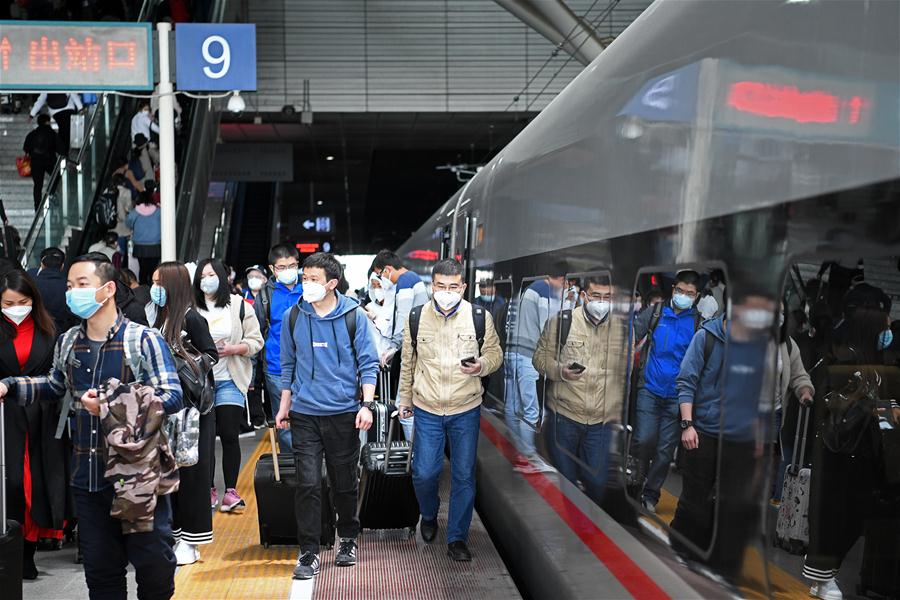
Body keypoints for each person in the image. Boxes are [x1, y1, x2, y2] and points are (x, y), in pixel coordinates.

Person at [0, 254, 183, 599]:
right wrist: (10, 386)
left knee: (154, 569)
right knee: (101, 574)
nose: (72, 293)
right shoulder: (69, 341)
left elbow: (171, 397)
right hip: (87, 478)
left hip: (139, 478)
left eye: (81, 285)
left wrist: (112, 404)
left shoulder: (142, 340)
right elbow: (55, 385)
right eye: (69, 286)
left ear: (108, 289)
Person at [275, 252, 378, 580]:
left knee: (343, 481)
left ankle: (347, 537)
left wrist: (367, 405)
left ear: (332, 283)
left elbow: (368, 363)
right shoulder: (294, 316)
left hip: (343, 413)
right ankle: (308, 551)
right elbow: (287, 366)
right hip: (304, 414)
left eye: (313, 279)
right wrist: (283, 406)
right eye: (305, 278)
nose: (306, 283)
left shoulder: (354, 317)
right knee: (306, 482)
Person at [397, 259, 502, 561]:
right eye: (440, 286)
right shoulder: (416, 317)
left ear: (463, 287)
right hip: (427, 407)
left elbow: (495, 353)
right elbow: (408, 363)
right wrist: (404, 400)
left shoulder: (479, 317)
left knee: (464, 475)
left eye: (453, 287)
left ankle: (457, 538)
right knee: (424, 473)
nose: (446, 292)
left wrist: (482, 365)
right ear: (432, 286)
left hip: (465, 408)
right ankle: (428, 514)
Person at [802, 300, 900, 600]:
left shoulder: (877, 362)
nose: (888, 332)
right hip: (838, 453)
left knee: (855, 518)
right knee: (834, 517)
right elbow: (834, 401)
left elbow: (879, 407)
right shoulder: (846, 357)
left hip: (863, 455)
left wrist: (889, 417)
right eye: (884, 326)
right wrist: (878, 409)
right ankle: (821, 577)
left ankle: (823, 575)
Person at [670, 301, 771, 582]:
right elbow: (686, 381)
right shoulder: (706, 338)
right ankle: (681, 550)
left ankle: (713, 558)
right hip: (703, 430)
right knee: (695, 498)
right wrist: (688, 424)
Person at [532, 277, 626, 504]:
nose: (602, 302)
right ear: (584, 295)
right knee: (567, 482)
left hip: (600, 423)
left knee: (597, 482)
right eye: (596, 296)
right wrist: (560, 371)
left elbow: (621, 373)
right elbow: (540, 358)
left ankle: (587, 525)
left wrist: (615, 409)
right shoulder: (562, 322)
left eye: (607, 297)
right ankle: (574, 528)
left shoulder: (620, 329)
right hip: (565, 416)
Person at [151, 262, 219, 566]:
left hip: (193, 411)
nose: (154, 289)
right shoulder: (159, 317)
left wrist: (183, 356)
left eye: (159, 283)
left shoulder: (191, 317)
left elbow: (211, 355)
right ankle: (176, 534)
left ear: (174, 286)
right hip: (170, 408)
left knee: (193, 473)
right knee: (172, 472)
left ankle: (193, 540)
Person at [0, 270, 65, 580]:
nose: (15, 307)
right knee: (12, 484)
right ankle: (12, 550)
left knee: (35, 486)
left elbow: (57, 377)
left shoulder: (49, 329)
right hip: (4, 418)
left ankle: (27, 551)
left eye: (22, 301)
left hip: (41, 417)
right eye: (8, 302)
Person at [194, 259, 263, 513]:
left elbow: (256, 341)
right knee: (206, 438)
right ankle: (209, 488)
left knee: (230, 435)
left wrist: (234, 349)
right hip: (200, 382)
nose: (206, 279)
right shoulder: (191, 307)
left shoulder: (239, 306)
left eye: (211, 274)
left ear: (222, 277)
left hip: (230, 379)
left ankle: (230, 491)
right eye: (202, 276)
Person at [631, 269, 702, 513]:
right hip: (649, 389)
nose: (683, 295)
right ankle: (635, 481)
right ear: (674, 290)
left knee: (664, 451)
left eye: (689, 293)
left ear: (697, 296)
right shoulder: (656, 312)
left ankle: (650, 494)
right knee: (644, 439)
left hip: (677, 397)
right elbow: (631, 334)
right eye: (680, 291)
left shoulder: (698, 324)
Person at [504, 266, 566, 473]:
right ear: (560, 279)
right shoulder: (544, 292)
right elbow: (547, 327)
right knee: (531, 411)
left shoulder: (530, 288)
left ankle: (518, 454)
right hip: (527, 356)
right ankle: (528, 459)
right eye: (565, 284)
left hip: (512, 353)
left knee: (513, 408)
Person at [372, 250, 429, 438]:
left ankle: (415, 453)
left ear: (387, 269)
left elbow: (404, 317)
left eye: (380, 274)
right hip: (418, 347)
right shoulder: (413, 278)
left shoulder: (404, 282)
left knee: (405, 407)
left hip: (412, 350)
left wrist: (393, 347)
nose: (382, 280)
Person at [255, 244, 303, 448]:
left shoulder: (310, 288)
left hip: (309, 366)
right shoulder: (265, 295)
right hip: (276, 366)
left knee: (310, 419)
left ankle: (313, 468)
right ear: (272, 269)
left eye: (292, 265)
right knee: (284, 424)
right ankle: (292, 472)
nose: (288, 271)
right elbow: (256, 332)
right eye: (282, 267)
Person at [771, 306, 815, 503]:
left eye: (781, 310)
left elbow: (799, 374)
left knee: (765, 468)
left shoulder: (787, 345)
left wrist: (805, 390)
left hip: (773, 415)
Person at [241, 264, 269, 427]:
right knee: (252, 383)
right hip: (249, 347)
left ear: (265, 279)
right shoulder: (241, 297)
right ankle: (256, 417)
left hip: (267, 347)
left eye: (257, 276)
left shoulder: (269, 297)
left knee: (268, 381)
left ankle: (268, 414)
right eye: (250, 277)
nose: (253, 280)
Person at [30, 247, 76, 334]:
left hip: (35, 332)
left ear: (42, 264)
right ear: (62, 266)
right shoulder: (69, 286)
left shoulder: (29, 281)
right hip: (62, 332)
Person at [22, 113, 61, 210]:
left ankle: (37, 208)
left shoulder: (32, 134)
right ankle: (51, 194)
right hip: (50, 161)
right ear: (47, 122)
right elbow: (61, 149)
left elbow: (26, 148)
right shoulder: (52, 133)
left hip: (36, 163)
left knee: (37, 186)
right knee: (57, 176)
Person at [126, 191, 161, 285]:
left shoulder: (134, 213)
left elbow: (128, 224)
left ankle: (144, 289)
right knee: (154, 269)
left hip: (140, 245)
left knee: (143, 269)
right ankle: (154, 288)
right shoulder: (158, 212)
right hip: (155, 245)